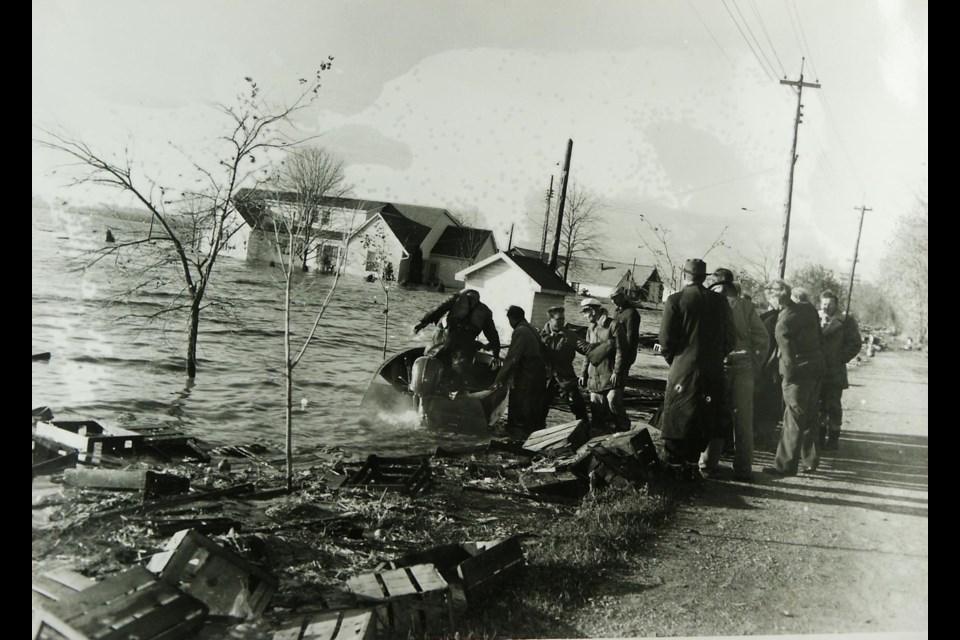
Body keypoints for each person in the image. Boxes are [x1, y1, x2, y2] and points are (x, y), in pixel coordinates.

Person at [655, 259, 735, 480]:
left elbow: (666, 341)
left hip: (683, 370)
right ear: (704, 277)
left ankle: (675, 473)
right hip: (713, 372)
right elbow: (731, 340)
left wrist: (678, 362)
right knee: (703, 419)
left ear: (684, 275)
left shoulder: (676, 300)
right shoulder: (720, 302)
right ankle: (692, 470)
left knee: (678, 420)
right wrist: (714, 359)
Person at [698, 268, 769, 482]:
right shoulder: (747, 307)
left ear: (720, 287)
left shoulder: (711, 306)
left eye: (715, 287)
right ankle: (743, 468)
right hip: (744, 367)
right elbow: (763, 339)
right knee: (743, 419)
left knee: (716, 415)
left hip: (721, 367)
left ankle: (708, 464)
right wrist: (754, 363)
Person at [763, 279, 825, 476]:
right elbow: (820, 338)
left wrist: (787, 379)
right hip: (816, 368)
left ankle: (785, 466)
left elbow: (788, 357)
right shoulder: (808, 309)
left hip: (797, 373)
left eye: (769, 300)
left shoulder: (783, 323)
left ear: (775, 299)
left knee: (793, 417)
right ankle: (810, 461)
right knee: (811, 415)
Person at [414, 289, 501, 379]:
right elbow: (492, 334)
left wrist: (423, 322)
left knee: (437, 357)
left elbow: (439, 308)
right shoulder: (485, 311)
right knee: (462, 366)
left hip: (450, 337)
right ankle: (460, 386)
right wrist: (496, 355)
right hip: (468, 341)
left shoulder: (457, 299)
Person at [492, 306, 547, 438]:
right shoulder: (530, 328)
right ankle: (530, 432)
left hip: (528, 375)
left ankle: (516, 435)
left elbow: (512, 359)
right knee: (531, 406)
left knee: (519, 402)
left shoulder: (520, 331)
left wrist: (498, 380)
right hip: (538, 373)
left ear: (512, 318)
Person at [817, 290, 862, 451]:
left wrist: (841, 358)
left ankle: (833, 438)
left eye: (829, 304)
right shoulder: (816, 318)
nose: (826, 307)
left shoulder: (845, 321)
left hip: (835, 371)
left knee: (833, 406)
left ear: (836, 304)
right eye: (823, 304)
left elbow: (855, 343)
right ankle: (819, 437)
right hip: (817, 370)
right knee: (818, 405)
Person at [578, 298, 630, 433]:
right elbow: (589, 352)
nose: (584, 315)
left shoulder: (614, 325)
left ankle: (624, 431)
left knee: (613, 402)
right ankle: (600, 436)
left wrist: (617, 372)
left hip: (611, 373)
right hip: (594, 376)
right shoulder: (591, 329)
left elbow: (621, 350)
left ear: (594, 311)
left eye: (585, 312)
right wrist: (583, 372)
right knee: (596, 409)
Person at [540, 305, 590, 425]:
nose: (561, 322)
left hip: (565, 377)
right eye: (558, 319)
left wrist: (602, 347)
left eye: (563, 319)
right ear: (550, 320)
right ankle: (536, 432)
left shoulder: (569, 336)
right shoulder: (540, 336)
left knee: (578, 406)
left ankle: (585, 429)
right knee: (540, 408)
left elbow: (584, 347)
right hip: (545, 378)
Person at [753, 302, 783, 448]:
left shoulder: (767, 319)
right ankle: (764, 435)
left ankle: (763, 435)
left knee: (764, 402)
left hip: (767, 367)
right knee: (769, 403)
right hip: (769, 367)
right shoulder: (770, 318)